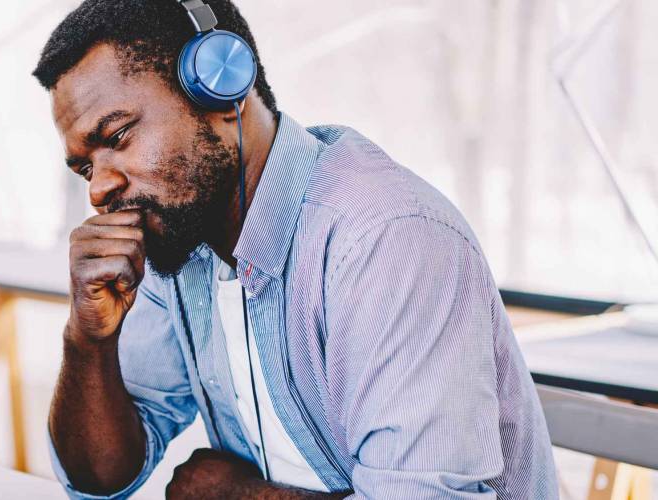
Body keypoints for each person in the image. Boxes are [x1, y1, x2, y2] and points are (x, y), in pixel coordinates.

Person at [32, 1, 558, 498]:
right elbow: (100, 478)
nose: (98, 190)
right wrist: (88, 339)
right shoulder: (180, 241)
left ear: (220, 89)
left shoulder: (387, 239)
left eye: (118, 135)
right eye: (84, 167)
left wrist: (240, 497)